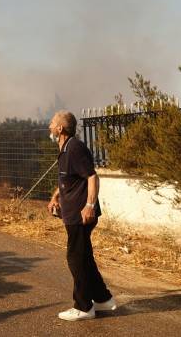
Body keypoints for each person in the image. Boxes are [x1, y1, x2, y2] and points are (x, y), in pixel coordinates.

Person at [46, 110, 116, 321]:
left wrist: (89, 205)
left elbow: (92, 177)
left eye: (52, 122)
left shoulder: (74, 148)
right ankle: (103, 300)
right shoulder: (65, 149)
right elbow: (68, 179)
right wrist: (55, 197)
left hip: (81, 215)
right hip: (73, 213)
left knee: (75, 258)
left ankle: (84, 307)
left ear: (60, 128)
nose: (49, 126)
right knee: (84, 257)